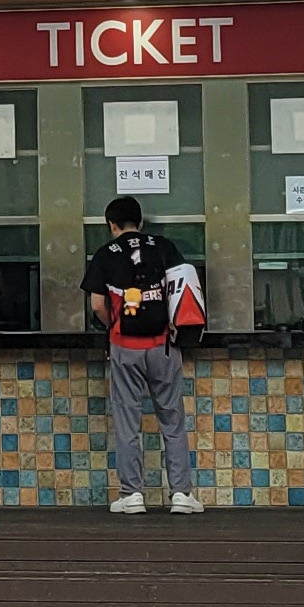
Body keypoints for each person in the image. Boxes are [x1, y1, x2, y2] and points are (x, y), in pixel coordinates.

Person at [85, 196, 201, 517]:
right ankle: (181, 494)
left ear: (111, 225)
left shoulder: (105, 254)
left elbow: (97, 305)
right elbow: (182, 290)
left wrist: (114, 325)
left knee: (127, 423)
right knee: (172, 421)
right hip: (164, 346)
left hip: (125, 346)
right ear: (140, 222)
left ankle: (132, 494)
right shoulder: (164, 247)